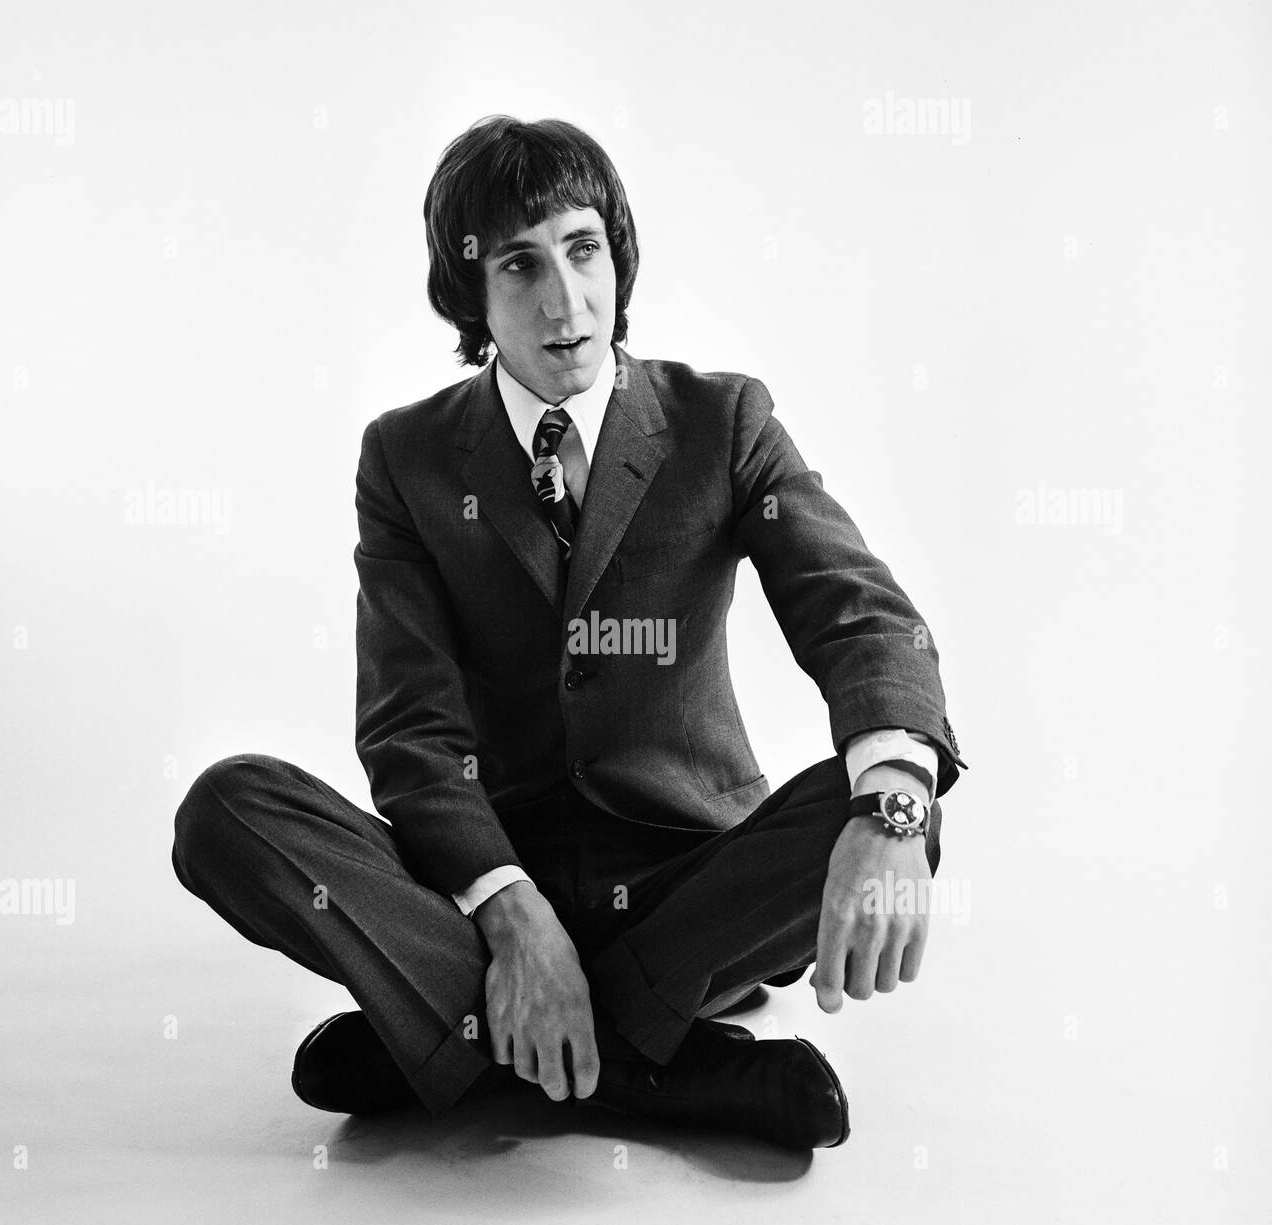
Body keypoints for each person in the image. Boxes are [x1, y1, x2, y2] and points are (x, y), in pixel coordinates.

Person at [171, 115, 967, 1152]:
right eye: (520, 264)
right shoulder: (407, 457)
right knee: (226, 808)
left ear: (616, 255)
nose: (565, 300)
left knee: (903, 793)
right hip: (485, 885)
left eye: (583, 250)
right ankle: (654, 1060)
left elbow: (860, 612)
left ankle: (453, 1039)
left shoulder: (720, 421)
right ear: (473, 294)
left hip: (692, 886)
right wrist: (509, 908)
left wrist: (891, 814)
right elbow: (410, 725)